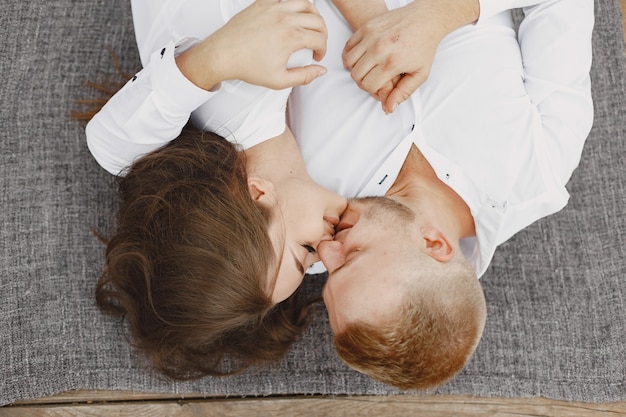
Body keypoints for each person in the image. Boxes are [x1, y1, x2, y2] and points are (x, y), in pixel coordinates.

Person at [287, 0, 593, 389]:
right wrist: (445, 13)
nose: (327, 251)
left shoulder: (302, 219)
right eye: (352, 257)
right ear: (434, 243)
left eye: (327, 274)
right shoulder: (540, 165)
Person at [87, 0, 347, 379]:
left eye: (305, 251)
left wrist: (217, 58)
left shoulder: (240, 80)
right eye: (313, 266)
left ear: (258, 194)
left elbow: (109, 145)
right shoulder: (306, 147)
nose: (328, 251)